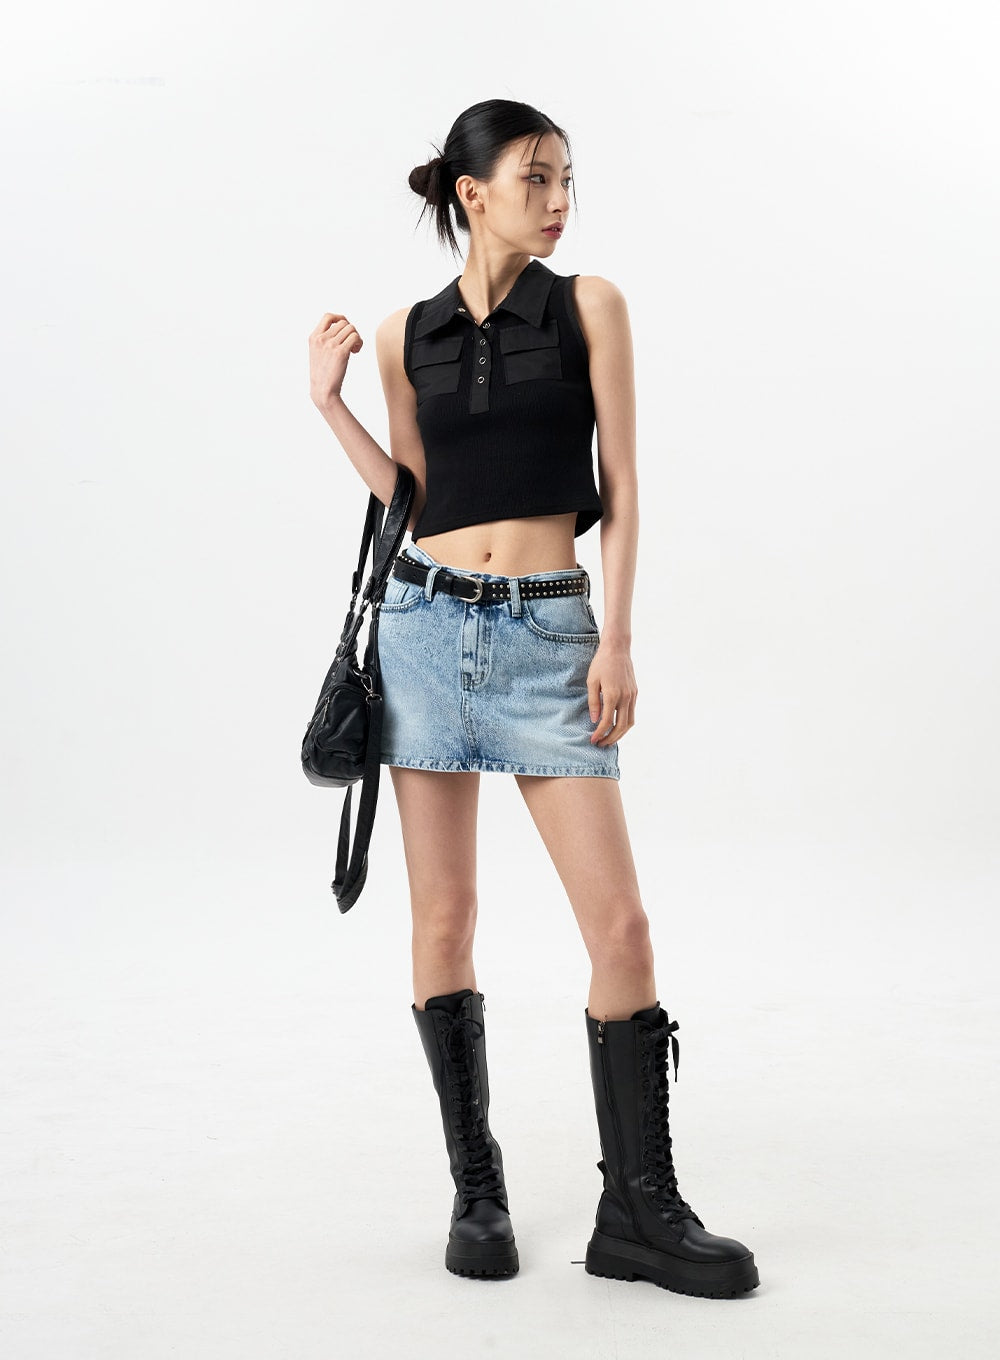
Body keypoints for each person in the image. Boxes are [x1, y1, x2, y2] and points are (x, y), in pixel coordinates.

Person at [308, 99, 760, 1298]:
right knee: (442, 922)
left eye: (566, 178)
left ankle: (638, 1208)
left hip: (551, 634)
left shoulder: (589, 304)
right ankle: (477, 1188)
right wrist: (329, 404)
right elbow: (410, 494)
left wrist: (617, 638)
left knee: (621, 929)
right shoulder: (404, 333)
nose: (559, 201)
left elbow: (625, 481)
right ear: (472, 193)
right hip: (423, 627)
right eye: (535, 178)